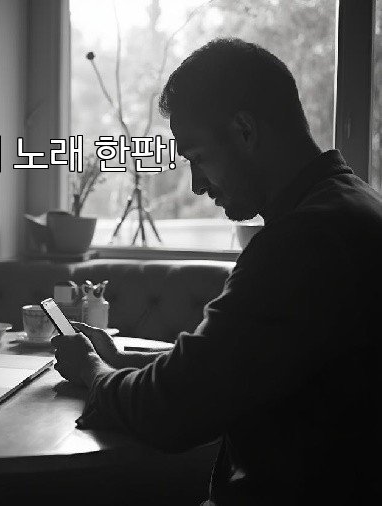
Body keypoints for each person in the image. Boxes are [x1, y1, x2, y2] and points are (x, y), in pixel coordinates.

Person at [52, 38, 382, 505]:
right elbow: (229, 371)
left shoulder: (302, 241)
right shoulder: (350, 206)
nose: (197, 184)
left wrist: (91, 368)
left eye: (198, 157)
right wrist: (121, 362)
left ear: (245, 130)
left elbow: (171, 412)